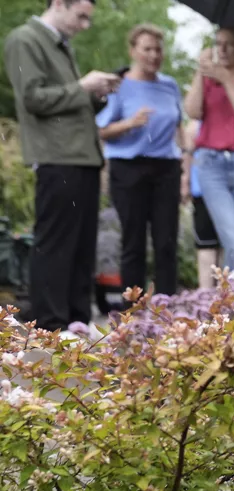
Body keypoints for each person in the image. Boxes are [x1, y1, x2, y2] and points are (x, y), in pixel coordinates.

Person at [4, 0, 121, 330]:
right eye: (80, 16)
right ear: (58, 3)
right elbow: (31, 99)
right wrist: (83, 86)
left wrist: (96, 94)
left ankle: (76, 323)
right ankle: (50, 325)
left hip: (82, 157)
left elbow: (64, 102)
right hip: (57, 157)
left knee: (82, 247)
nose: (85, 24)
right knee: (56, 245)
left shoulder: (60, 44)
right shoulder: (24, 39)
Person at [95, 23, 183, 298]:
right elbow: (101, 131)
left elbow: (179, 127)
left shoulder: (170, 85)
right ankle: (133, 313)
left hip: (166, 169)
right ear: (133, 50)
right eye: (147, 49)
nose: (154, 55)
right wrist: (130, 123)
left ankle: (169, 309)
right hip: (129, 169)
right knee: (134, 243)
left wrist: (187, 167)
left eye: (158, 49)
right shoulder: (119, 86)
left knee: (166, 242)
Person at [185, 27, 234, 273]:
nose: (222, 49)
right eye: (218, 43)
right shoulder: (208, 83)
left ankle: (232, 300)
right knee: (231, 232)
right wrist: (201, 72)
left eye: (229, 44)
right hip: (212, 166)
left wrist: (229, 83)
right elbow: (192, 111)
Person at [181, 117, 221, 291]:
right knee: (206, 242)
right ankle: (205, 292)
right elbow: (187, 153)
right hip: (203, 190)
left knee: (226, 242)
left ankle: (224, 290)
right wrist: (186, 181)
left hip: (230, 190)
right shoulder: (195, 125)